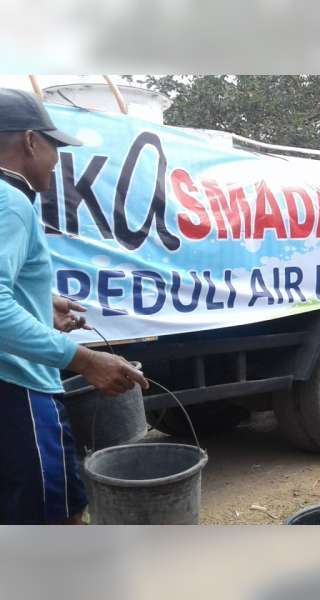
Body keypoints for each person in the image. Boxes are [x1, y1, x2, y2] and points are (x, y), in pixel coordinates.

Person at [0, 88, 149, 525]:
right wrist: (84, 360)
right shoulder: (10, 202)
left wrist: (39, 303)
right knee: (59, 512)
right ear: (30, 141)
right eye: (54, 147)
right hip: (17, 386)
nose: (56, 160)